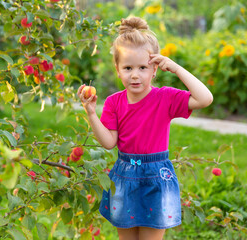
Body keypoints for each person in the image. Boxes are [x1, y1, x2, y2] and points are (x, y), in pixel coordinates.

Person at [77, 17, 213, 240]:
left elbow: (205, 98)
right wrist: (91, 113)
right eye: (128, 68)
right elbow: (109, 142)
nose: (135, 75)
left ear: (155, 69)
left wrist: (177, 68)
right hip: (124, 176)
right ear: (117, 69)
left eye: (143, 67)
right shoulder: (113, 102)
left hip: (156, 178)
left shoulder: (165, 98)